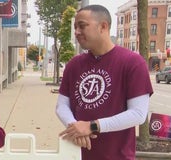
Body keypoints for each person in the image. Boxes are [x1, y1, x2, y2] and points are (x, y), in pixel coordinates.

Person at [56, 5, 153, 160]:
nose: (76, 32)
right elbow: (61, 105)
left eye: (82, 26)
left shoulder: (132, 62)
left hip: (117, 156)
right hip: (76, 153)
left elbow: (138, 114)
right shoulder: (74, 64)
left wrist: (92, 126)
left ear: (103, 26)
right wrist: (75, 127)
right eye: (75, 27)